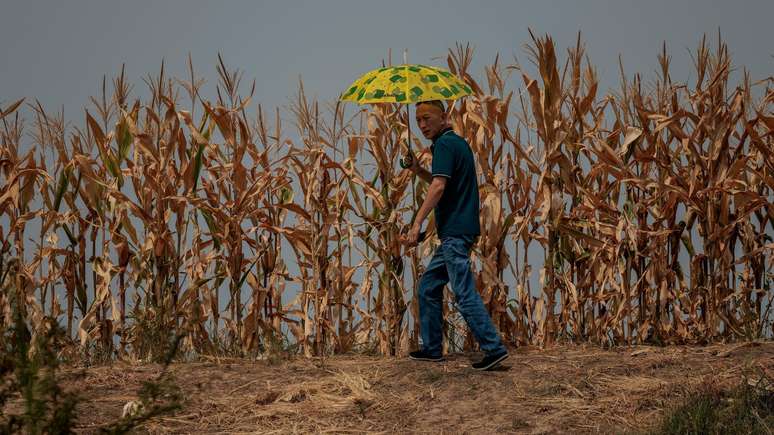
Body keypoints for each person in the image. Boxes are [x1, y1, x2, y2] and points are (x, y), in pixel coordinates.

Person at [401, 99, 509, 371]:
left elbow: (438, 187)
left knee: (462, 292)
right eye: (418, 121)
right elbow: (443, 181)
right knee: (428, 286)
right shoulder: (455, 143)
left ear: (444, 116)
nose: (423, 125)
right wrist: (417, 170)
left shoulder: (445, 145)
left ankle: (493, 349)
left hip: (455, 232)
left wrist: (416, 224)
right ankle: (433, 349)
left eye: (428, 118)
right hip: (457, 231)